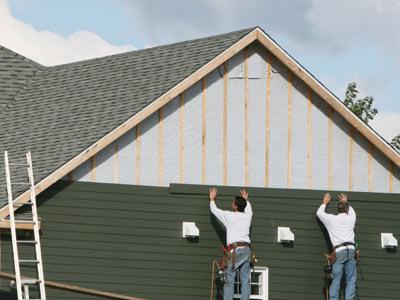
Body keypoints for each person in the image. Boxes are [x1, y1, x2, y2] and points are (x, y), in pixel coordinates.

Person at [209, 187, 253, 300]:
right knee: (245, 279)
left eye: (233, 203)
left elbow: (215, 211)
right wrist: (246, 200)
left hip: (235, 251)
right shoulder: (248, 216)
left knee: (229, 278)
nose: (232, 203)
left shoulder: (230, 216)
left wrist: (212, 199)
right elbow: (249, 210)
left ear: (235, 206)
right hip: (247, 250)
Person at [316, 192, 357, 300]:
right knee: (351, 279)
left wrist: (324, 203)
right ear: (347, 209)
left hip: (339, 251)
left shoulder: (331, 219)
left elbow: (319, 213)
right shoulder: (351, 218)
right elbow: (351, 210)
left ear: (338, 210)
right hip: (351, 250)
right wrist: (345, 201)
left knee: (336, 279)